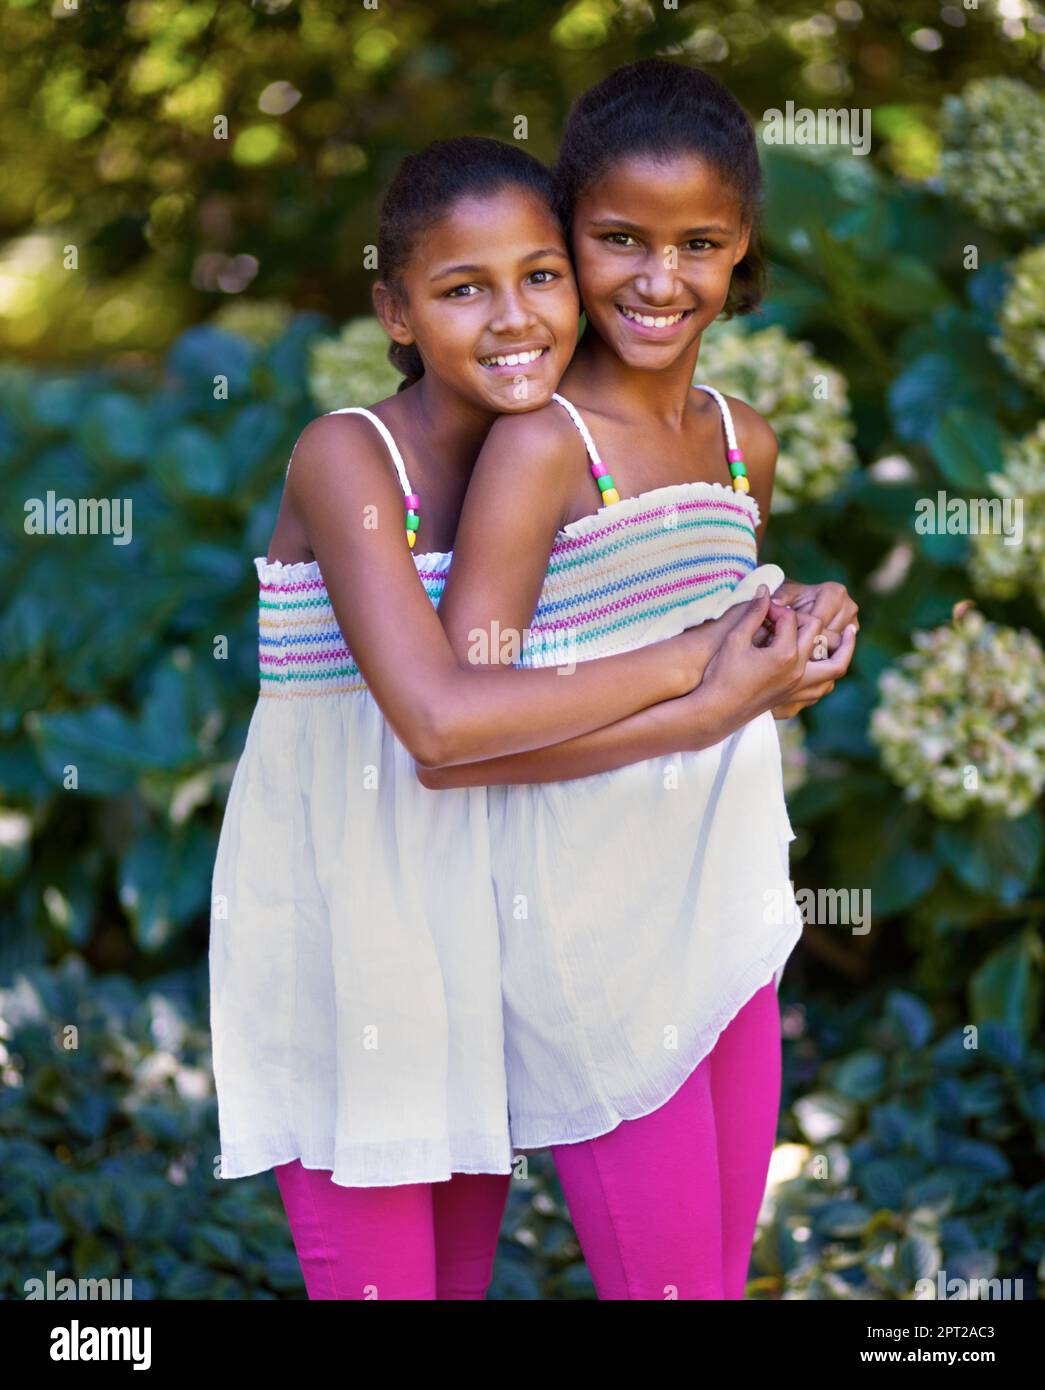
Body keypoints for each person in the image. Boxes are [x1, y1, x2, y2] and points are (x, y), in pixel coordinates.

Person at [208, 135, 770, 1301]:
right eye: (463, 289)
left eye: (540, 275)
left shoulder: (554, 459)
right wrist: (695, 678)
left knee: (463, 1274)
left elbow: (590, 656)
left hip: (490, 912)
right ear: (396, 312)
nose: (513, 317)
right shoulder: (350, 457)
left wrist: (784, 616)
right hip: (355, 928)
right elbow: (441, 724)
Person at [420, 60, 858, 1300]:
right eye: (619, 239)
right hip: (596, 931)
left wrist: (799, 630)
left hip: (727, 911)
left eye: (697, 245)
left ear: (741, 248)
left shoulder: (740, 440)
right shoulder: (540, 449)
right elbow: (465, 732)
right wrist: (707, 700)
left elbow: (712, 637)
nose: (659, 280)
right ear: (568, 234)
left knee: (715, 1279)